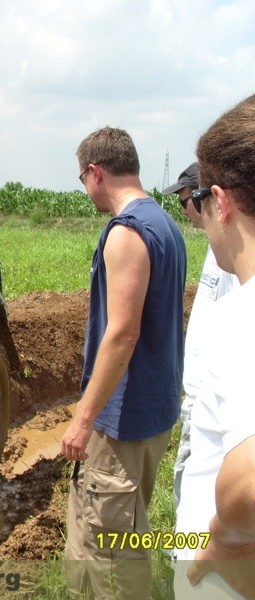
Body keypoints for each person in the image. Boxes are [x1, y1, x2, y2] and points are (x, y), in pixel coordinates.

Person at [61, 127, 187, 598]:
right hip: (152, 411)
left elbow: (123, 333)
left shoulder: (127, 233)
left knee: (113, 553)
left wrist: (83, 417)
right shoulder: (166, 225)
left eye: (81, 178)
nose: (85, 189)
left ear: (96, 172)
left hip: (123, 421)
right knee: (112, 531)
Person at [174, 93, 255, 599]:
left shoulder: (243, 317)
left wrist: (226, 537)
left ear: (221, 201)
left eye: (202, 200)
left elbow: (248, 481)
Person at [165, 162, 238, 513]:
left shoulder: (233, 250)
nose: (187, 209)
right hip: (198, 391)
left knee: (193, 499)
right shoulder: (215, 245)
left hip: (211, 394)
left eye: (187, 199)